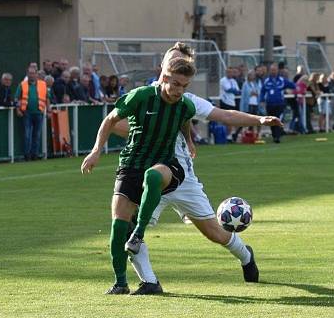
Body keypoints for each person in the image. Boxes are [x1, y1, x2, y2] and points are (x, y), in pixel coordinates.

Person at [107, 43, 282, 294]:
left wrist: (259, 120)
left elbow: (225, 115)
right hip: (146, 174)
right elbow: (115, 123)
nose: (178, 67)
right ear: (165, 68)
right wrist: (144, 133)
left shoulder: (187, 101)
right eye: (174, 61)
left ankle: (245, 256)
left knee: (214, 233)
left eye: (183, 64)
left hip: (181, 177)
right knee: (128, 228)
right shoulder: (144, 95)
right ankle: (149, 281)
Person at [81, 56, 197, 295]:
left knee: (154, 177)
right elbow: (109, 120)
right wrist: (95, 152)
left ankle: (139, 232)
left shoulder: (186, 106)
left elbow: (185, 122)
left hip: (166, 164)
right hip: (132, 164)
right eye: (175, 84)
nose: (179, 91)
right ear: (164, 78)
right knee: (117, 226)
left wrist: (189, 142)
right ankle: (120, 283)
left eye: (184, 86)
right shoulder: (141, 96)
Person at [15, 65, 46, 161]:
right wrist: (18, 109)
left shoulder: (43, 84)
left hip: (39, 112)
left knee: (37, 135)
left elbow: (47, 97)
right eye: (30, 73)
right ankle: (27, 155)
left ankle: (35, 154)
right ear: (27, 74)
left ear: (37, 74)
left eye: (33, 73)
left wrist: (48, 109)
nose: (31, 75)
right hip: (27, 113)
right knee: (27, 135)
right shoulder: (22, 84)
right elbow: (16, 98)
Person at [261, 63, 295, 143]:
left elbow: (293, 85)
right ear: (270, 71)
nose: (273, 72)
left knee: (277, 119)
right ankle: (274, 135)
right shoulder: (266, 81)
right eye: (272, 70)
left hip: (279, 104)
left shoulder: (282, 80)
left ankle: (277, 137)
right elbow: (262, 91)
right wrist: (261, 100)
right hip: (270, 104)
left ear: (277, 71)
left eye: (275, 70)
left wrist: (293, 90)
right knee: (271, 121)